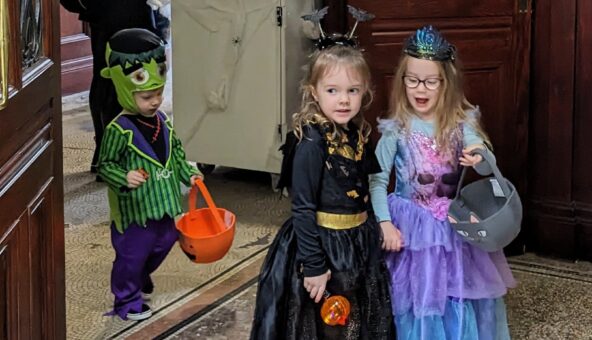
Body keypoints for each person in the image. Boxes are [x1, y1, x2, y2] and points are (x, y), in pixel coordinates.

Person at [369, 25, 516, 339]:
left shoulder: (461, 122)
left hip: (453, 227)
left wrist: (478, 154)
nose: (420, 89)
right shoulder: (396, 128)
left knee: (456, 293)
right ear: (402, 80)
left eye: (430, 81)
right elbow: (377, 181)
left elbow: (486, 160)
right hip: (410, 229)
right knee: (416, 298)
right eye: (412, 80)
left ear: (446, 82)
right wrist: (384, 223)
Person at [250, 43, 394, 339]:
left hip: (355, 242)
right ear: (314, 91)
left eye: (352, 90)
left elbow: (362, 189)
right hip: (322, 246)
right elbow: (302, 208)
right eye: (332, 91)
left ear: (365, 90)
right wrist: (314, 266)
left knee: (355, 318)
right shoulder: (311, 143)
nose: (343, 100)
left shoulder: (357, 132)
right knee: (326, 323)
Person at [97, 28, 202, 321]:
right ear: (124, 90)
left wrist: (188, 174)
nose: (154, 101)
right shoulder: (118, 130)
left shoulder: (162, 121)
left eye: (158, 94)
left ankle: (141, 275)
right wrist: (124, 177)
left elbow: (176, 153)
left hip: (164, 205)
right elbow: (105, 165)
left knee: (166, 242)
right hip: (135, 212)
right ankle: (126, 300)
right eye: (146, 96)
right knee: (132, 254)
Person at [60, 0, 161, 176]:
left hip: (107, 11)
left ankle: (106, 153)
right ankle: (116, 156)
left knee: (107, 76)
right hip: (119, 11)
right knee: (121, 77)